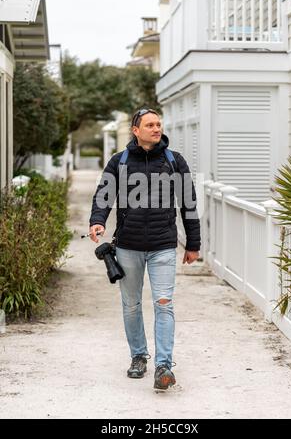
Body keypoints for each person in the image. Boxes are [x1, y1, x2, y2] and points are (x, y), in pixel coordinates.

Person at [89, 108, 201, 390]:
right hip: (128, 246)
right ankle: (139, 356)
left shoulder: (175, 162)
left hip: (163, 246)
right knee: (131, 306)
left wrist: (193, 244)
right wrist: (97, 221)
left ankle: (164, 365)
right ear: (136, 130)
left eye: (159, 124)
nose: (156, 129)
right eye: (150, 125)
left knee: (164, 304)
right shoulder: (120, 161)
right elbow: (104, 195)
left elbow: (188, 204)